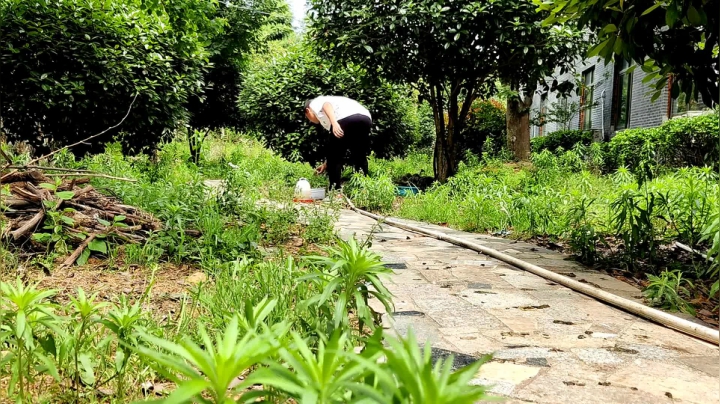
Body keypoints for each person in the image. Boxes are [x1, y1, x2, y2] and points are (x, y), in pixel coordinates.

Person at [304, 96, 372, 190]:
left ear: (308, 111)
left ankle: (335, 191)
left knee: (334, 158)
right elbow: (336, 146)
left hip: (344, 118)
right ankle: (363, 188)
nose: (309, 120)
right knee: (359, 154)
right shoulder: (330, 112)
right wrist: (326, 164)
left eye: (307, 117)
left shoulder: (313, 103)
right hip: (365, 118)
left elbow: (326, 105)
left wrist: (335, 123)